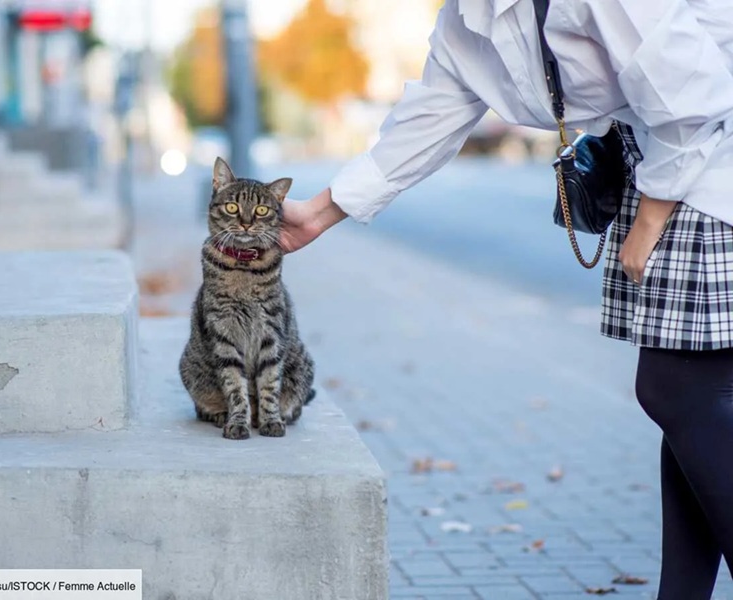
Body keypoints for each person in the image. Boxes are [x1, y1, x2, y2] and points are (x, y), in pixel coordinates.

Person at [278, 0, 733, 598]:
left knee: (677, 391)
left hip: (705, 152)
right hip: (674, 158)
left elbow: (693, 97)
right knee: (692, 400)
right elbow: (429, 118)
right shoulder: (468, 18)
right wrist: (318, 213)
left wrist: (649, 218)